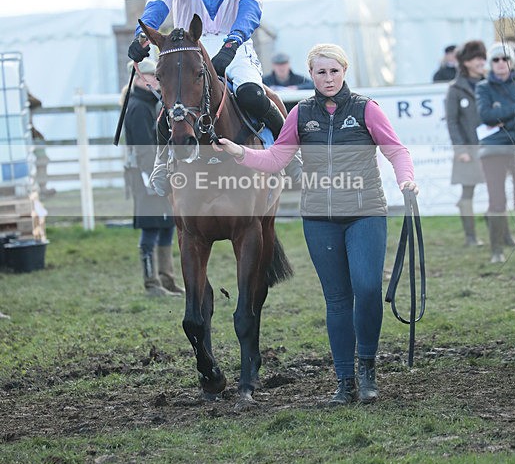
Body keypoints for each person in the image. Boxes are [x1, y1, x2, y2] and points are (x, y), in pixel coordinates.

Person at [213, 42, 418, 405]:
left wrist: (406, 180)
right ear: (311, 75)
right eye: (321, 72)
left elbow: (396, 150)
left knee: (368, 288)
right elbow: (277, 157)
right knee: (337, 299)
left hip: (365, 211)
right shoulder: (300, 113)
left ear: (344, 72)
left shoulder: (367, 109)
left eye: (334, 71)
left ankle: (368, 370)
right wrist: (240, 152)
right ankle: (345, 381)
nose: (328, 78)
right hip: (320, 218)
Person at [127, 0, 289, 195]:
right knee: (172, 108)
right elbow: (159, 2)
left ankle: (284, 158)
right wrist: (142, 37)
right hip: (189, 45)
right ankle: (163, 163)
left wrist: (231, 45)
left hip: (235, 45)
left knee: (254, 96)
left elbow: (251, 8)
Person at [123, 59, 184, 297]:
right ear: (139, 79)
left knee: (166, 224)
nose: (157, 81)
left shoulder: (152, 104)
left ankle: (166, 279)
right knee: (151, 227)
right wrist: (159, 175)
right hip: (148, 177)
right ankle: (152, 283)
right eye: (152, 77)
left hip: (159, 174)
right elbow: (144, 150)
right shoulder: (138, 107)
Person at [475, 42, 515, 262]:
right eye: (495, 60)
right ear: (490, 63)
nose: (500, 63)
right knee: (497, 201)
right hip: (493, 149)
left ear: (512, 62)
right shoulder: (483, 88)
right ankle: (496, 250)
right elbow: (486, 116)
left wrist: (503, 118)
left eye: (505, 59)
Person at [445, 40, 487, 246]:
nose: (481, 62)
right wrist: (460, 149)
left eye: (482, 57)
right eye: (475, 58)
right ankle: (471, 237)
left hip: (493, 146)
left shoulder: (490, 83)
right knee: (467, 192)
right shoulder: (455, 89)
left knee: (497, 191)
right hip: (468, 149)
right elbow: (452, 122)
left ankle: (503, 234)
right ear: (466, 62)